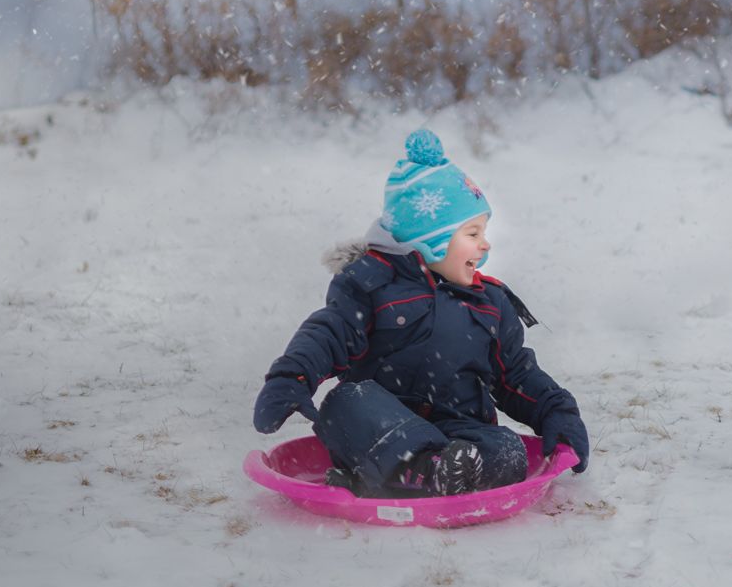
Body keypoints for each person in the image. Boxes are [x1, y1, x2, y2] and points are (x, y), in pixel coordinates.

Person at [252, 129, 589, 497]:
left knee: (509, 449)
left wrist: (558, 411)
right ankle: (414, 471)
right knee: (349, 402)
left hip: (460, 436)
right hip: (383, 432)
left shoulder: (488, 302)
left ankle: (427, 475)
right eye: (472, 233)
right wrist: (290, 378)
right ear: (433, 239)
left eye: (484, 232)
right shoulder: (370, 285)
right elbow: (328, 334)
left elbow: (517, 374)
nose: (485, 243)